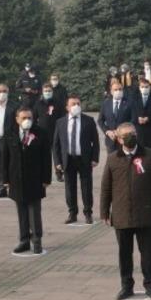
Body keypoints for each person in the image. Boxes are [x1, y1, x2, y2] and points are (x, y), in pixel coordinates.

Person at [100, 122, 151, 300]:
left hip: (145, 212)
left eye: (133, 134)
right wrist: (104, 212)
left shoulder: (150, 154)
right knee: (124, 253)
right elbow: (106, 187)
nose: (131, 137)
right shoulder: (113, 158)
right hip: (121, 214)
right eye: (127, 135)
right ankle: (126, 286)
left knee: (146, 252)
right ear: (119, 139)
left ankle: (150, 285)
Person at [0, 107, 51, 255]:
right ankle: (24, 240)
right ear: (17, 119)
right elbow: (5, 158)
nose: (27, 121)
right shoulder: (10, 134)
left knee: (34, 211)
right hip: (16, 179)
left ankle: (37, 241)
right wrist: (5, 179)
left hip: (35, 179)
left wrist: (46, 179)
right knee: (21, 212)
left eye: (29, 117)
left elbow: (46, 158)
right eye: (24, 118)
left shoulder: (40, 133)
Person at [52, 96, 99, 225]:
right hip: (68, 159)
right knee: (70, 188)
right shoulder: (60, 122)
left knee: (86, 187)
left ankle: (88, 213)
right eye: (73, 104)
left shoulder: (88, 121)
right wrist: (57, 162)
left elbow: (95, 141)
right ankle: (72, 213)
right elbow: (56, 145)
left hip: (84, 159)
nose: (76, 106)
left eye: (78, 103)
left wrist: (95, 158)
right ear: (67, 107)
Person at [98, 80, 134, 154]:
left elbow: (133, 119)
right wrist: (107, 131)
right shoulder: (106, 103)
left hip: (125, 139)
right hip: (111, 139)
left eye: (120, 89)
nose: (118, 91)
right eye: (115, 90)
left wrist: (120, 131)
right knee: (112, 162)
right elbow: (100, 120)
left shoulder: (129, 103)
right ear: (111, 91)